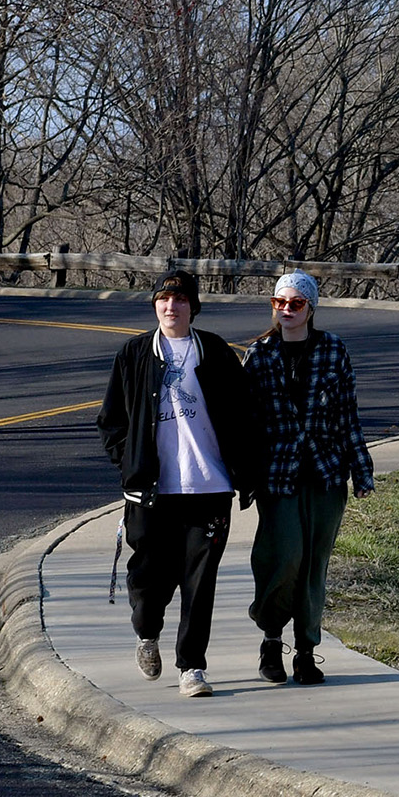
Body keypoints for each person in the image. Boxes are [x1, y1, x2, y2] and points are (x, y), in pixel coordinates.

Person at [97, 271, 256, 698]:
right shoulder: (133, 355)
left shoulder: (216, 353)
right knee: (150, 579)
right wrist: (130, 464)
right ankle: (147, 632)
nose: (171, 307)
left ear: (193, 306)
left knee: (199, 582)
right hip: (151, 492)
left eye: (180, 299)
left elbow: (246, 416)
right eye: (164, 299)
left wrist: (246, 472)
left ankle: (193, 667)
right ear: (154, 306)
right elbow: (111, 422)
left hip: (210, 488)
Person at [243, 271, 374, 686]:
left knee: (315, 563)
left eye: (296, 303)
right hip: (277, 472)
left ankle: (305, 652)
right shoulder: (259, 354)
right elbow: (246, 421)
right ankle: (270, 636)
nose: (287, 310)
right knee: (283, 557)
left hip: (325, 471)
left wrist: (360, 470)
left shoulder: (334, 351)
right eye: (280, 303)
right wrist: (242, 475)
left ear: (311, 308)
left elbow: (347, 416)